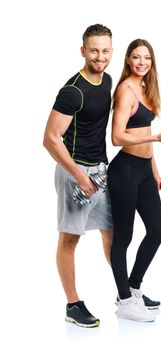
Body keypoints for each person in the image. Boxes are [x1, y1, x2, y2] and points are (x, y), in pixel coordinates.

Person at [43, 24, 114, 328]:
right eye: (94, 50)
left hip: (100, 170)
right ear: (83, 51)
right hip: (75, 172)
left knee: (114, 233)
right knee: (71, 238)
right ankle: (73, 305)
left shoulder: (108, 80)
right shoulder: (72, 91)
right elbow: (50, 139)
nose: (100, 56)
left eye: (106, 51)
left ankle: (126, 293)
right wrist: (79, 176)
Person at [107, 39, 161, 322]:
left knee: (158, 231)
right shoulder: (126, 90)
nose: (142, 62)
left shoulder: (146, 89)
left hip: (144, 171)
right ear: (128, 60)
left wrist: (155, 171)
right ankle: (124, 301)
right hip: (125, 171)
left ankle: (133, 288)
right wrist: (154, 137)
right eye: (136, 57)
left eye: (147, 58)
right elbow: (117, 137)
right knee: (123, 237)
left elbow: (144, 128)